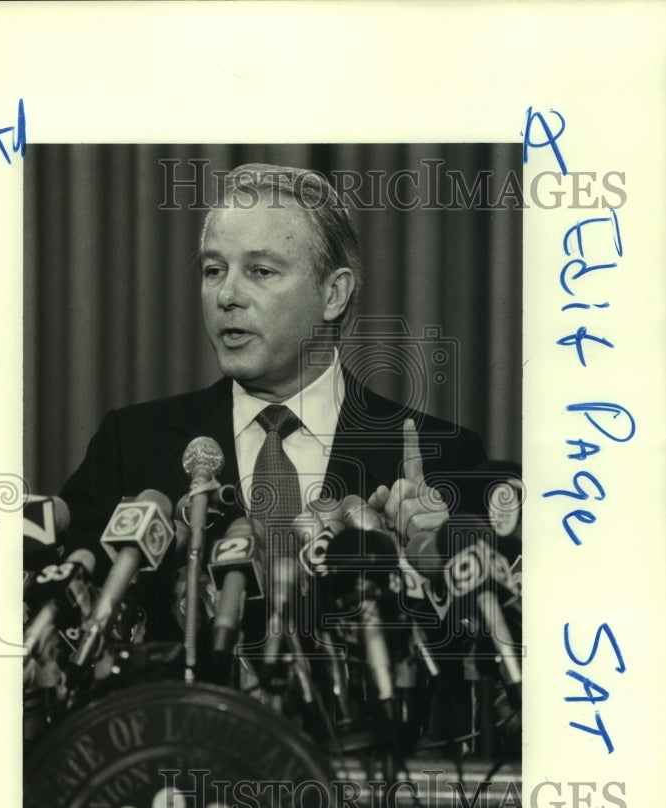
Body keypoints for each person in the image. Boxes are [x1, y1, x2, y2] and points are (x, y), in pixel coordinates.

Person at [60, 163, 487, 590]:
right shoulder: (131, 446)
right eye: (213, 270)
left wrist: (428, 563)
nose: (227, 295)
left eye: (261, 271)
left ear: (333, 294)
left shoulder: (444, 461)